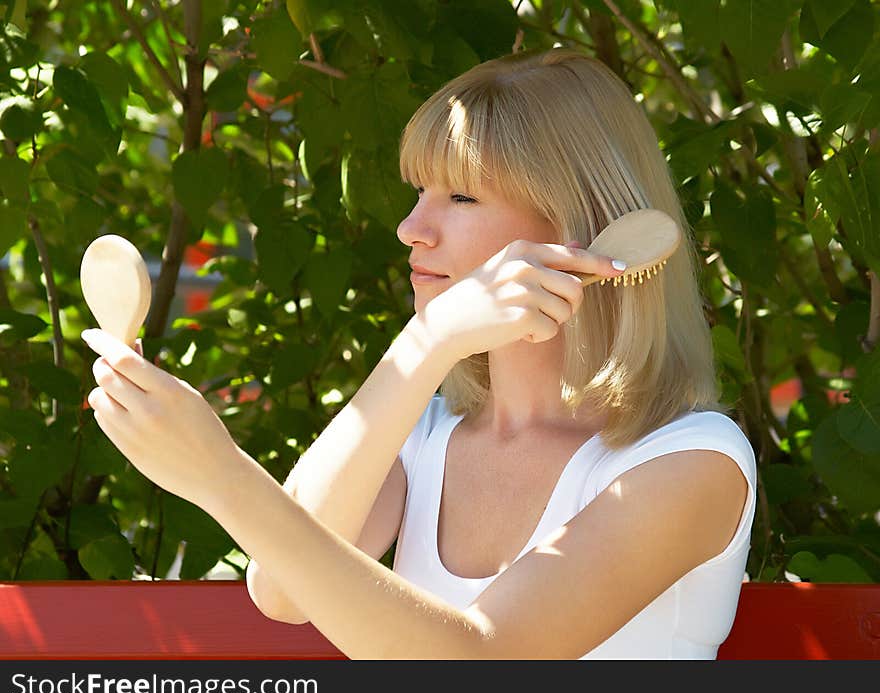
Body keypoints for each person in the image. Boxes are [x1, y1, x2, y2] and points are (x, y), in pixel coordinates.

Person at [84, 47, 755, 660]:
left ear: (581, 225)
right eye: (417, 194)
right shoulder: (428, 435)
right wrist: (423, 357)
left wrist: (219, 474)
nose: (411, 229)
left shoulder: (690, 460)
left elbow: (479, 666)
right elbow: (282, 593)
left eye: (461, 196)